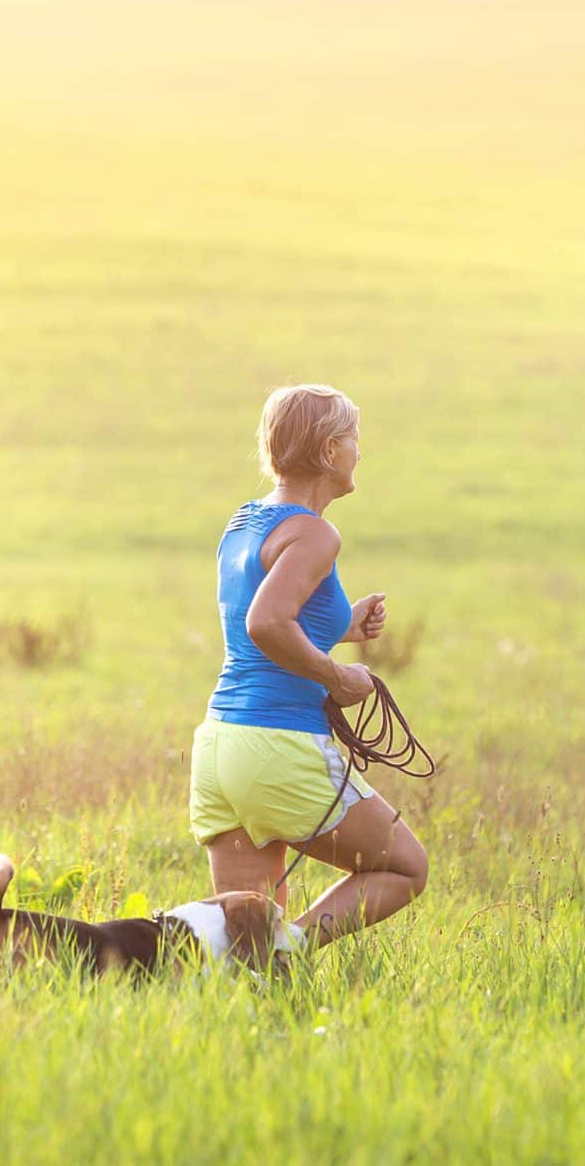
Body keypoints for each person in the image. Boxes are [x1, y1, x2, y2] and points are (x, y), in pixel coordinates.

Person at [188, 384, 429, 950]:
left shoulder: (244, 522)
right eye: (351, 440)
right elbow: (267, 624)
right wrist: (339, 677)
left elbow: (262, 617)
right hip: (278, 745)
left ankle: (258, 990)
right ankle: (290, 948)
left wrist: (342, 624)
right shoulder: (315, 533)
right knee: (403, 869)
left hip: (220, 747)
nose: (358, 454)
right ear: (327, 452)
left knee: (245, 935)